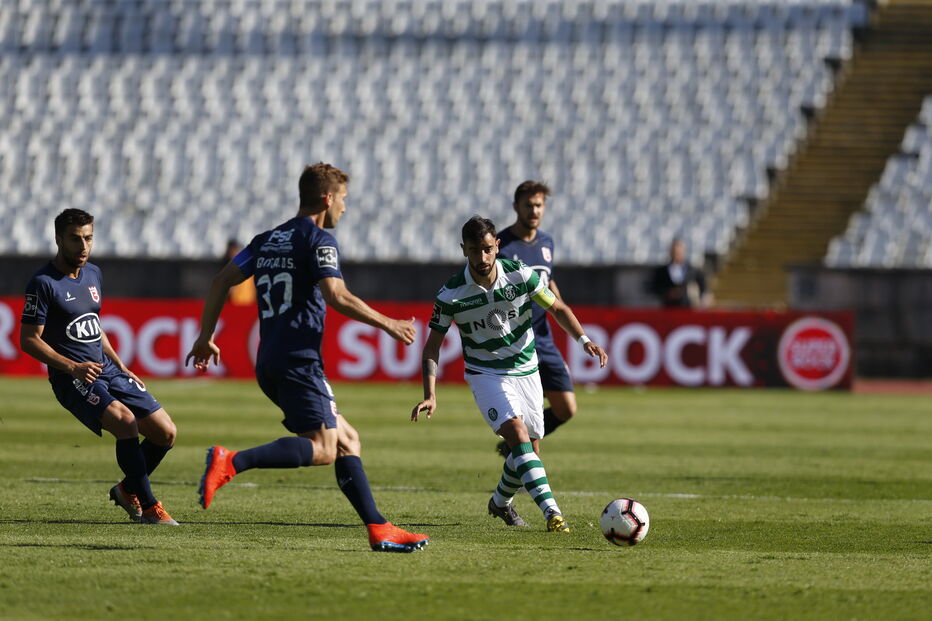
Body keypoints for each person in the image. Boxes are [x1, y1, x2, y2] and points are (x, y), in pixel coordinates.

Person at [185, 162, 429, 553]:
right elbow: (337, 295)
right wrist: (389, 324)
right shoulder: (318, 240)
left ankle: (378, 528)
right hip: (299, 360)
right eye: (344, 200)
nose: (345, 209)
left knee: (348, 440)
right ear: (327, 198)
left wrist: (205, 336)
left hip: (269, 359)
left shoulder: (266, 240)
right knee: (324, 447)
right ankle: (231, 461)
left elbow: (219, 282)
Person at [411, 216, 607, 531]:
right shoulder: (451, 295)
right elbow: (432, 346)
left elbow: (557, 308)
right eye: (475, 250)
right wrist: (430, 394)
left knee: (528, 451)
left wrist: (584, 341)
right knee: (517, 434)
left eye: (488, 249)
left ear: (497, 246)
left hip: (527, 369)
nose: (483, 258)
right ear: (464, 250)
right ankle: (553, 514)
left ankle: (500, 503)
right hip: (485, 374)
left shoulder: (521, 276)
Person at [19, 208, 178, 525]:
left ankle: (126, 489)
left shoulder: (94, 274)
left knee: (166, 432)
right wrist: (72, 367)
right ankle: (148, 507)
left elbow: (92, 324)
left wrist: (121, 364)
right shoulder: (42, 283)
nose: (83, 246)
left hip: (108, 369)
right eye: (75, 239)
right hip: (72, 378)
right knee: (125, 421)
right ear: (58, 239)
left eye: (88, 238)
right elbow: (29, 340)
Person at [495, 181, 576, 452]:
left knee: (566, 408)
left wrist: (562, 310)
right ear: (516, 207)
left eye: (539, 205)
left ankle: (514, 450)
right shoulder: (501, 246)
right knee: (532, 423)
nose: (534, 210)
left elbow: (548, 282)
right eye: (528, 205)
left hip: (544, 338)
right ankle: (523, 469)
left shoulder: (547, 242)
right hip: (517, 342)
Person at [651, 238, 712, 308]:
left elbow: (703, 286)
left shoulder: (693, 270)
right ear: (670, 252)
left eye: (679, 252)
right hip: (668, 309)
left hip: (689, 309)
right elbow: (655, 288)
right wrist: (668, 293)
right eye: (674, 252)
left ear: (684, 252)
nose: (677, 255)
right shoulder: (661, 271)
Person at [221, 239, 256, 306]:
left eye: (233, 250)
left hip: (247, 301)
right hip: (237, 302)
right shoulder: (228, 266)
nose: (231, 253)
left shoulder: (244, 264)